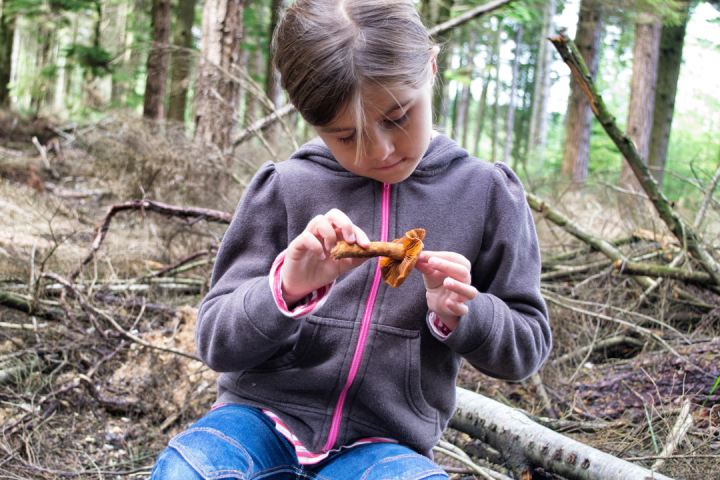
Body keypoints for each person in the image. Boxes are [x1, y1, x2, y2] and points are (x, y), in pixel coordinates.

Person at [151, 0, 551, 478]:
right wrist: (285, 291)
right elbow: (215, 342)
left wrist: (465, 313)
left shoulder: (485, 195)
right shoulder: (285, 187)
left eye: (398, 116)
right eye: (344, 135)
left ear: (430, 66)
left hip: (386, 444)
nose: (378, 150)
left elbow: (526, 347)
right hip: (255, 422)